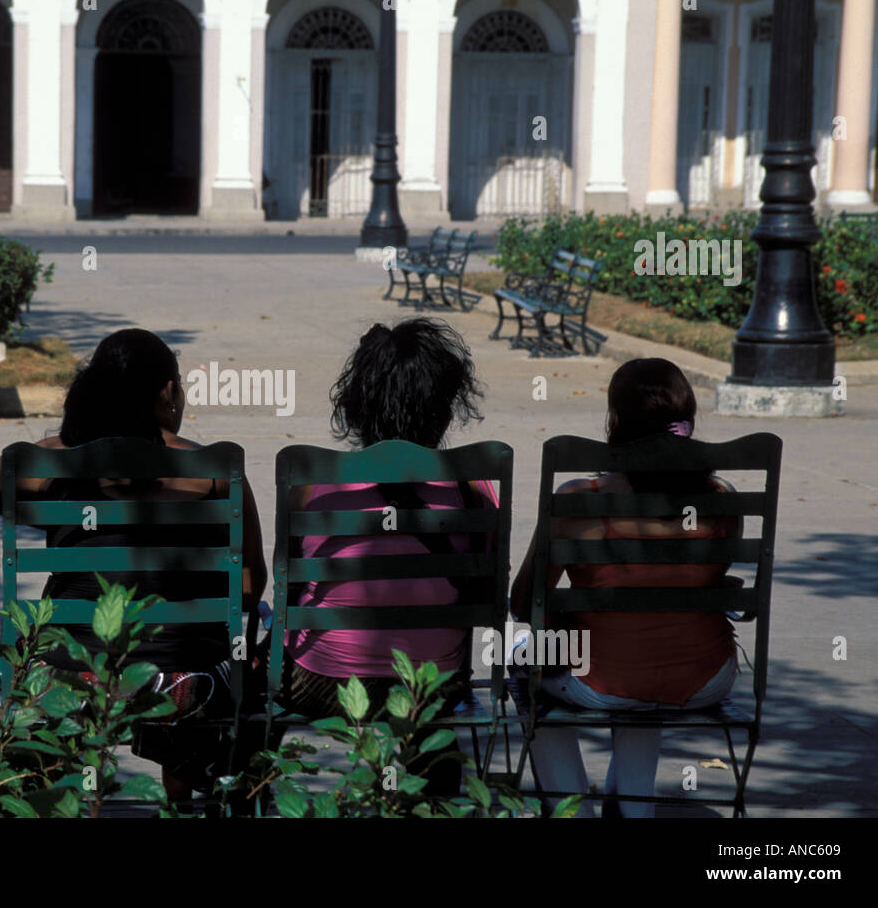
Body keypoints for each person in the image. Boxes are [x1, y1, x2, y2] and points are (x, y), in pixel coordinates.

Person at [0, 329, 268, 802]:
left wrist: (50, 501)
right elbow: (251, 587)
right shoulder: (214, 468)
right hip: (182, 683)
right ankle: (181, 791)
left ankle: (62, 793)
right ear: (167, 392)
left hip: (66, 680)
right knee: (216, 655)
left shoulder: (57, 463)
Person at [510, 357, 741, 818]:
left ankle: (571, 809)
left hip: (606, 680)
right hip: (708, 677)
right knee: (647, 650)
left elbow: (523, 601)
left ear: (616, 422)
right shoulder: (721, 499)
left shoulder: (582, 499)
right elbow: (712, 578)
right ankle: (631, 806)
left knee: (520, 657)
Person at [279, 319, 495, 722]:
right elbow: (486, 594)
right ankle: (418, 768)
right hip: (431, 686)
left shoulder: (312, 484)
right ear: (444, 408)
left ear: (357, 404)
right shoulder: (475, 490)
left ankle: (248, 781)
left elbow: (287, 583)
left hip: (325, 683)